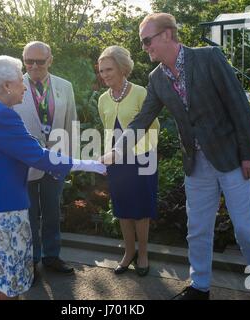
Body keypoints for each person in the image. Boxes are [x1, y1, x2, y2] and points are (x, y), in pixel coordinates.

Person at [102, 13, 250, 300]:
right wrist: (117, 149)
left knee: (246, 230)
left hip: (231, 159)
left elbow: (237, 104)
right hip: (195, 165)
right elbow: (143, 119)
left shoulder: (209, 57)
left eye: (147, 40)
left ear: (167, 35)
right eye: (142, 42)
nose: (145, 47)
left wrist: (249, 154)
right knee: (197, 230)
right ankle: (200, 287)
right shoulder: (156, 78)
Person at [0, 55, 106, 300]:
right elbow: (38, 157)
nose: (24, 87)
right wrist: (92, 164)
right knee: (14, 273)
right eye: (21, 81)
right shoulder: (2, 116)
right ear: (6, 86)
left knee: (0, 268)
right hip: (4, 206)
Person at [13, 41, 78, 276]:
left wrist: (70, 159)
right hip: (24, 163)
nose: (34, 66)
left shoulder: (65, 86)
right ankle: (31, 261)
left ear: (50, 60)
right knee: (28, 215)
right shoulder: (13, 85)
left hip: (56, 161)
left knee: (52, 212)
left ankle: (52, 256)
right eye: (29, 61)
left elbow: (72, 122)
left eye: (40, 61)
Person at [97, 46, 160, 277]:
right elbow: (106, 132)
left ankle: (143, 254)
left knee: (141, 210)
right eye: (101, 70)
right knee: (122, 208)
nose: (104, 74)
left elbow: (153, 127)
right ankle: (128, 252)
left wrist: (142, 155)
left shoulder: (140, 92)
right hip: (116, 161)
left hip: (141, 158)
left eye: (109, 69)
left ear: (123, 68)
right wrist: (107, 159)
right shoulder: (103, 99)